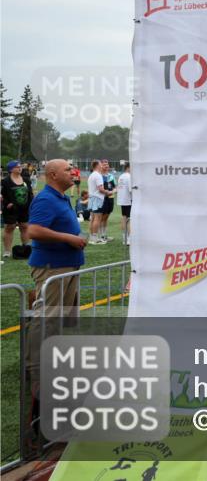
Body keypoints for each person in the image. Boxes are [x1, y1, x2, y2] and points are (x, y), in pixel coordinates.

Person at [25, 159, 88, 392]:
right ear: (52, 174)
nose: (72, 172)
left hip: (67, 265)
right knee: (47, 319)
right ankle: (36, 372)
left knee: (60, 318)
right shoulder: (45, 198)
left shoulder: (61, 196)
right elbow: (34, 230)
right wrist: (69, 238)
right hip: (53, 267)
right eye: (67, 169)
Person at [3, 161, 33, 258]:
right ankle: (7, 251)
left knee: (24, 226)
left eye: (20, 166)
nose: (20, 168)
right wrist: (8, 203)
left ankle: (26, 248)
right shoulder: (6, 181)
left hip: (24, 208)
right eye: (17, 167)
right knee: (9, 227)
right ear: (11, 169)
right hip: (11, 209)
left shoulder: (26, 180)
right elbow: (3, 195)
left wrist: (31, 204)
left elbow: (30, 194)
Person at [86, 160, 107, 244]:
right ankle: (95, 239)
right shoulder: (98, 175)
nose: (102, 166)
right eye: (100, 164)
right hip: (97, 198)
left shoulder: (92, 175)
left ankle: (92, 237)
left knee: (93, 218)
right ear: (97, 165)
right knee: (97, 218)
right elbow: (100, 189)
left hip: (92, 198)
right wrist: (108, 192)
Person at [99, 160, 116, 241]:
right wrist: (106, 193)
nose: (106, 166)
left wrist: (112, 191)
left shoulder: (111, 176)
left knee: (106, 217)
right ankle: (100, 235)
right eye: (104, 165)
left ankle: (104, 235)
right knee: (101, 217)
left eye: (107, 164)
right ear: (101, 166)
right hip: (102, 199)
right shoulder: (99, 176)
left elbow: (115, 187)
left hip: (110, 198)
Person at [117, 163, 132, 245]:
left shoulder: (121, 176)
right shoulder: (129, 176)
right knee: (129, 219)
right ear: (128, 168)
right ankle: (129, 239)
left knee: (124, 218)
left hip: (122, 200)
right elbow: (131, 190)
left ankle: (124, 238)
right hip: (128, 200)